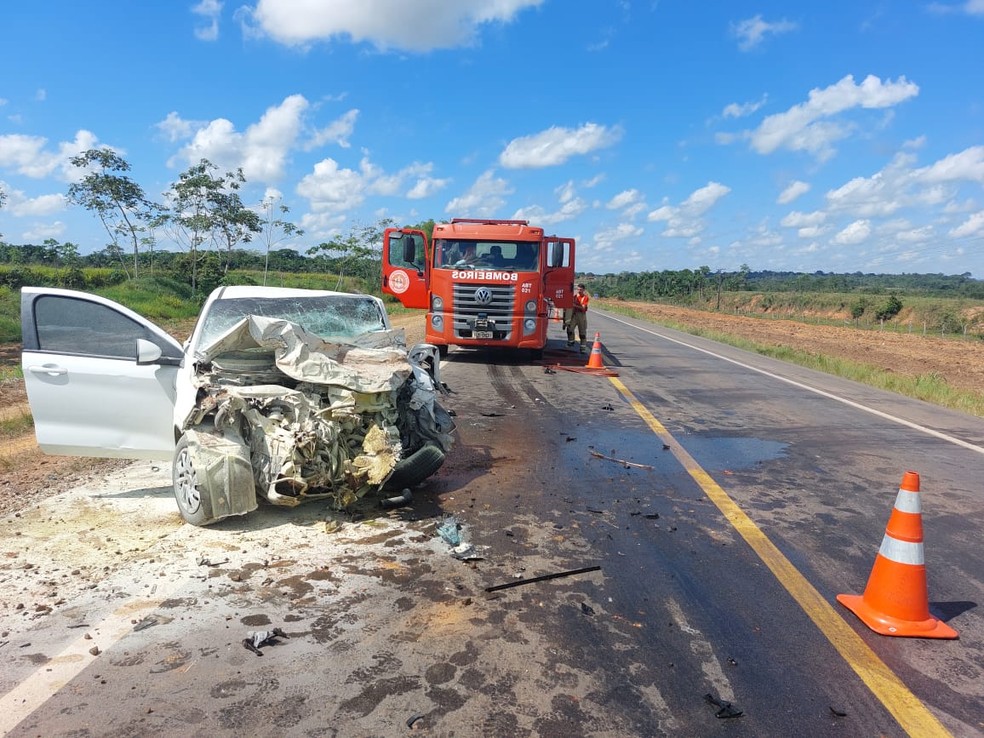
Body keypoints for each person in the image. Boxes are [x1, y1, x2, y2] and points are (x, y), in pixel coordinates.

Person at [567, 283, 590, 352]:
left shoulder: (585, 298)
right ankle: (571, 341)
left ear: (583, 290)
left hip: (581, 316)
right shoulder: (574, 297)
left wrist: (574, 305)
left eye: (580, 289)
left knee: (582, 333)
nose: (579, 291)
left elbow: (583, 308)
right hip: (574, 315)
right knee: (570, 329)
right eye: (578, 289)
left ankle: (582, 347)